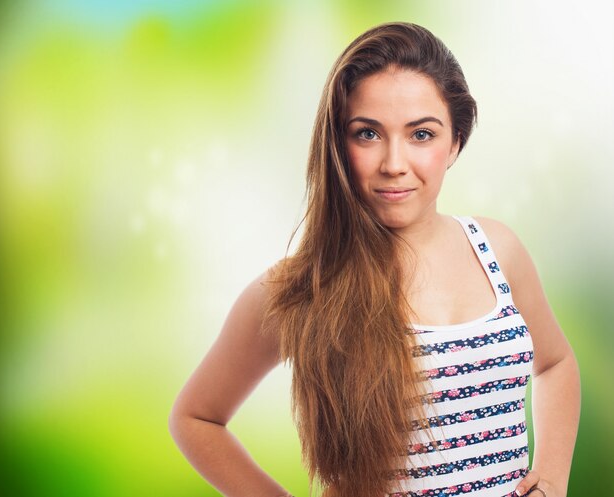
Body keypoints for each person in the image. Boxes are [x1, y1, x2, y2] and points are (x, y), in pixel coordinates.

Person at [168, 22, 580, 497]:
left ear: (456, 143)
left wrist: (551, 477)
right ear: (338, 147)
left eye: (421, 134)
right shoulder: (303, 289)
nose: (394, 162)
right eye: (367, 133)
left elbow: (555, 363)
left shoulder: (496, 250)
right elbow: (195, 418)